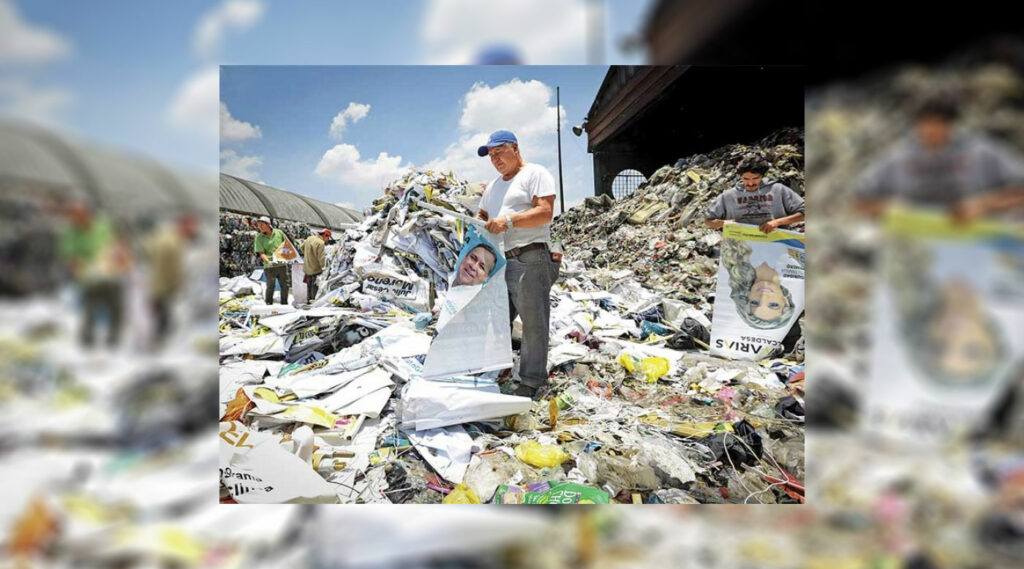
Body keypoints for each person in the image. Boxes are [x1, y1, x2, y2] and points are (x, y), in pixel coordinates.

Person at [475, 130, 559, 399]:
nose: (495, 159)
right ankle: (496, 370)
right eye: (491, 156)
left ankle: (532, 381)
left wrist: (508, 221)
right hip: (503, 260)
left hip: (530, 257)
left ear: (515, 148)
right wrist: (477, 221)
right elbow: (484, 213)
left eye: (499, 152)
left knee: (533, 322)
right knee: (498, 319)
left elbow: (545, 212)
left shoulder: (535, 173)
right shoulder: (494, 185)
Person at [857, 95, 1024, 220]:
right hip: (918, 250)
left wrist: (984, 205)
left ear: (951, 124)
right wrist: (889, 209)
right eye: (925, 123)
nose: (931, 130)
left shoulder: (982, 152)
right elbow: (860, 201)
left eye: (939, 123)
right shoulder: (898, 157)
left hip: (980, 247)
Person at [59, 202, 131, 347]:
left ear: (87, 213)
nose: (76, 220)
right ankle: (87, 339)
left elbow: (118, 242)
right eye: (73, 217)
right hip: (90, 278)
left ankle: (113, 339)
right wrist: (83, 269)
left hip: (111, 275)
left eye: (79, 215)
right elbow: (70, 258)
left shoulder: (103, 224)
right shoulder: (71, 234)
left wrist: (119, 255)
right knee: (90, 308)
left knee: (117, 308)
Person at [705, 155, 805, 233]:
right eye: (746, 179)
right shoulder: (728, 196)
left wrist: (777, 222)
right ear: (740, 177)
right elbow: (708, 221)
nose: (750, 183)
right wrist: (724, 223)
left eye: (755, 178)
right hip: (741, 248)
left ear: (762, 176)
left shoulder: (778, 190)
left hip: (776, 245)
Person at [145, 212, 199, 346]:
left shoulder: (162, 237)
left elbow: (149, 254)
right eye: (191, 227)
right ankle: (159, 343)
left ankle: (156, 340)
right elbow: (174, 268)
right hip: (164, 285)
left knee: (157, 314)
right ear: (184, 225)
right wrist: (178, 284)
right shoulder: (174, 243)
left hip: (155, 282)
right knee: (163, 317)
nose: (193, 230)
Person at [721, 237, 796, 329]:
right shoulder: (799, 267)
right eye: (773, 305)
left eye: (754, 302)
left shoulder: (734, 257)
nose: (763, 296)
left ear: (746, 297)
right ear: (785, 301)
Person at [253, 216, 290, 305]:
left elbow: (286, 245)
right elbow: (261, 253)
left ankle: (284, 304)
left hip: (281, 265)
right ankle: (269, 304)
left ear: (268, 224)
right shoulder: (259, 238)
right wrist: (268, 262)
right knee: (270, 287)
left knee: (285, 286)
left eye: (262, 225)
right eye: (258, 225)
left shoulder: (279, 233)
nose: (260, 227)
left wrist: (287, 256)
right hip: (269, 266)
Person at [303, 228, 329, 302]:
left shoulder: (309, 238)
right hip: (316, 269)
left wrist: (308, 255)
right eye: (328, 237)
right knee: (314, 287)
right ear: (325, 235)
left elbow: (302, 247)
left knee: (309, 286)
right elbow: (321, 258)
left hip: (307, 267)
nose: (327, 240)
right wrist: (324, 268)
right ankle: (313, 302)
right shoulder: (320, 243)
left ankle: (308, 301)